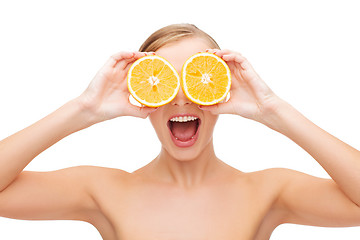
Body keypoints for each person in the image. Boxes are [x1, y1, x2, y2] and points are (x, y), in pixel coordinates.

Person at [0, 23, 359, 240]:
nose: (182, 99)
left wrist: (272, 109)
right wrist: (83, 109)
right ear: (142, 93)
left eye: (197, 79)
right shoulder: (103, 190)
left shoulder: (268, 191)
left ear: (221, 88)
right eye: (164, 81)